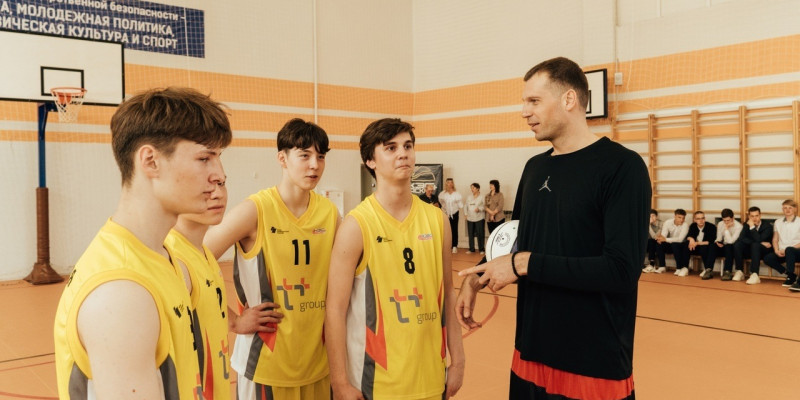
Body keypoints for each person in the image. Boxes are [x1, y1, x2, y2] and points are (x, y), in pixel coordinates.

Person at [456, 57, 649, 400]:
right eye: (524, 102)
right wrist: (478, 277)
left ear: (569, 99)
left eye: (534, 101)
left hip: (592, 364)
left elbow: (621, 270)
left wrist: (524, 263)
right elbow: (520, 241)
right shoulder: (534, 167)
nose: (524, 112)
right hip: (529, 353)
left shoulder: (622, 167)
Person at [54, 87, 231, 399]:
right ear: (150, 161)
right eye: (205, 158)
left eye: (218, 158)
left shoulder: (163, 257)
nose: (219, 174)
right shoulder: (120, 293)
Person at [325, 118, 465, 400]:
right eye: (391, 148)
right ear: (370, 160)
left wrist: (458, 361)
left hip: (430, 377)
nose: (403, 153)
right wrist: (339, 382)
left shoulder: (438, 220)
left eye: (408, 146)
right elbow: (335, 309)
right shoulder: (356, 225)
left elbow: (448, 293)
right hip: (375, 383)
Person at [204, 119, 338, 399]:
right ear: (282, 159)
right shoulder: (255, 210)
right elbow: (193, 259)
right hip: (265, 364)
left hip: (317, 364)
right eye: (304, 155)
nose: (314, 165)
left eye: (321, 157)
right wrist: (233, 321)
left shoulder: (330, 214)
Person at [165, 176, 281, 399]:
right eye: (205, 185)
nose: (217, 194)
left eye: (221, 184)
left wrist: (235, 321)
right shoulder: (172, 260)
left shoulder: (203, 253)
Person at [763, 199, 800, 290]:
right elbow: (775, 239)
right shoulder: (778, 222)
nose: (787, 210)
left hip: (796, 251)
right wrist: (776, 250)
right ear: (782, 209)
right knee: (768, 258)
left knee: (789, 250)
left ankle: (790, 277)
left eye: (790, 208)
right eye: (785, 208)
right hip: (782, 252)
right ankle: (791, 275)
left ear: (795, 209)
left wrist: (786, 250)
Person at [735, 206, 774, 285]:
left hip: (764, 251)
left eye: (756, 216)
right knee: (738, 244)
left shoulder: (767, 226)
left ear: (760, 215)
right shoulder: (746, 224)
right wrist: (760, 242)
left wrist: (752, 227)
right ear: (749, 216)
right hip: (752, 249)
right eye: (752, 216)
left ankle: (755, 274)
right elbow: (741, 238)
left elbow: (759, 238)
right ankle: (739, 271)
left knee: (755, 245)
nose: (754, 218)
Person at [656, 209, 690, 275]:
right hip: (671, 243)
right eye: (679, 217)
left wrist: (665, 239)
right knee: (659, 244)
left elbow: (680, 239)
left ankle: (679, 268)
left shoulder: (685, 225)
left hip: (682, 245)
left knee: (675, 244)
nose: (681, 220)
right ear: (674, 216)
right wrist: (660, 239)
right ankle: (662, 266)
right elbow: (663, 235)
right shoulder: (667, 222)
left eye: (683, 218)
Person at [685, 211, 717, 280]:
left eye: (702, 218)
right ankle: (684, 267)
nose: (701, 220)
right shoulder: (693, 225)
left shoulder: (711, 226)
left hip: (707, 247)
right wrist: (691, 239)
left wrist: (697, 243)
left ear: (705, 219)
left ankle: (707, 269)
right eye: (698, 219)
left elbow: (711, 241)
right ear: (694, 220)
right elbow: (688, 236)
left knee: (705, 247)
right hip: (695, 247)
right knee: (686, 244)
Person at [714, 208, 743, 281]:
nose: (726, 222)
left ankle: (727, 271)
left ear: (733, 218)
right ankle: (708, 269)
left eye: (728, 220)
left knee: (729, 246)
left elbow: (731, 241)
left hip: (733, 246)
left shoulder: (738, 226)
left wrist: (726, 229)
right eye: (724, 220)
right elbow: (719, 237)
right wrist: (717, 242)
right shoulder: (720, 224)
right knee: (712, 246)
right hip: (724, 244)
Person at [439, 178, 464, 253]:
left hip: (455, 213)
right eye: (448, 182)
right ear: (446, 184)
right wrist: (445, 211)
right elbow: (442, 203)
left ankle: (454, 246)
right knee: (446, 230)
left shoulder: (457, 194)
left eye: (451, 182)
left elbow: (460, 205)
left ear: (453, 184)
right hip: (446, 213)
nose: (449, 184)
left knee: (454, 229)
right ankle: (447, 246)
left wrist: (459, 205)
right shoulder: (443, 194)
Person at [465, 183, 486, 254]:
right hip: (470, 218)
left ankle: (481, 249)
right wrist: (465, 214)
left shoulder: (482, 197)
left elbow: (485, 206)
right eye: (471, 188)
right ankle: (471, 249)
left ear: (478, 189)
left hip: (479, 218)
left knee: (480, 234)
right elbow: (465, 206)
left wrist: (479, 209)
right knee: (470, 234)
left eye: (473, 188)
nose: (472, 189)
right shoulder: (469, 197)